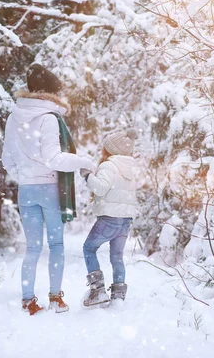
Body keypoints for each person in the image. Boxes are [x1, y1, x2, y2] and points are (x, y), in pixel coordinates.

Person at [2, 63, 94, 315]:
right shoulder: (49, 118)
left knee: (32, 248)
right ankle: (56, 298)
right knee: (55, 245)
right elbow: (54, 159)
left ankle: (28, 300)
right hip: (50, 189)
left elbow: (7, 159)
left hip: (26, 190)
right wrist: (86, 162)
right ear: (52, 93)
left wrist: (24, 176)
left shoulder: (13, 116)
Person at [80, 128, 139, 307]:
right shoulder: (130, 167)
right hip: (125, 220)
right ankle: (118, 297)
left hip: (109, 219)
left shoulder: (109, 165)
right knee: (117, 256)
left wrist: (87, 175)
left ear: (110, 149)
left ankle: (97, 291)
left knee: (89, 248)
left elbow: (100, 188)